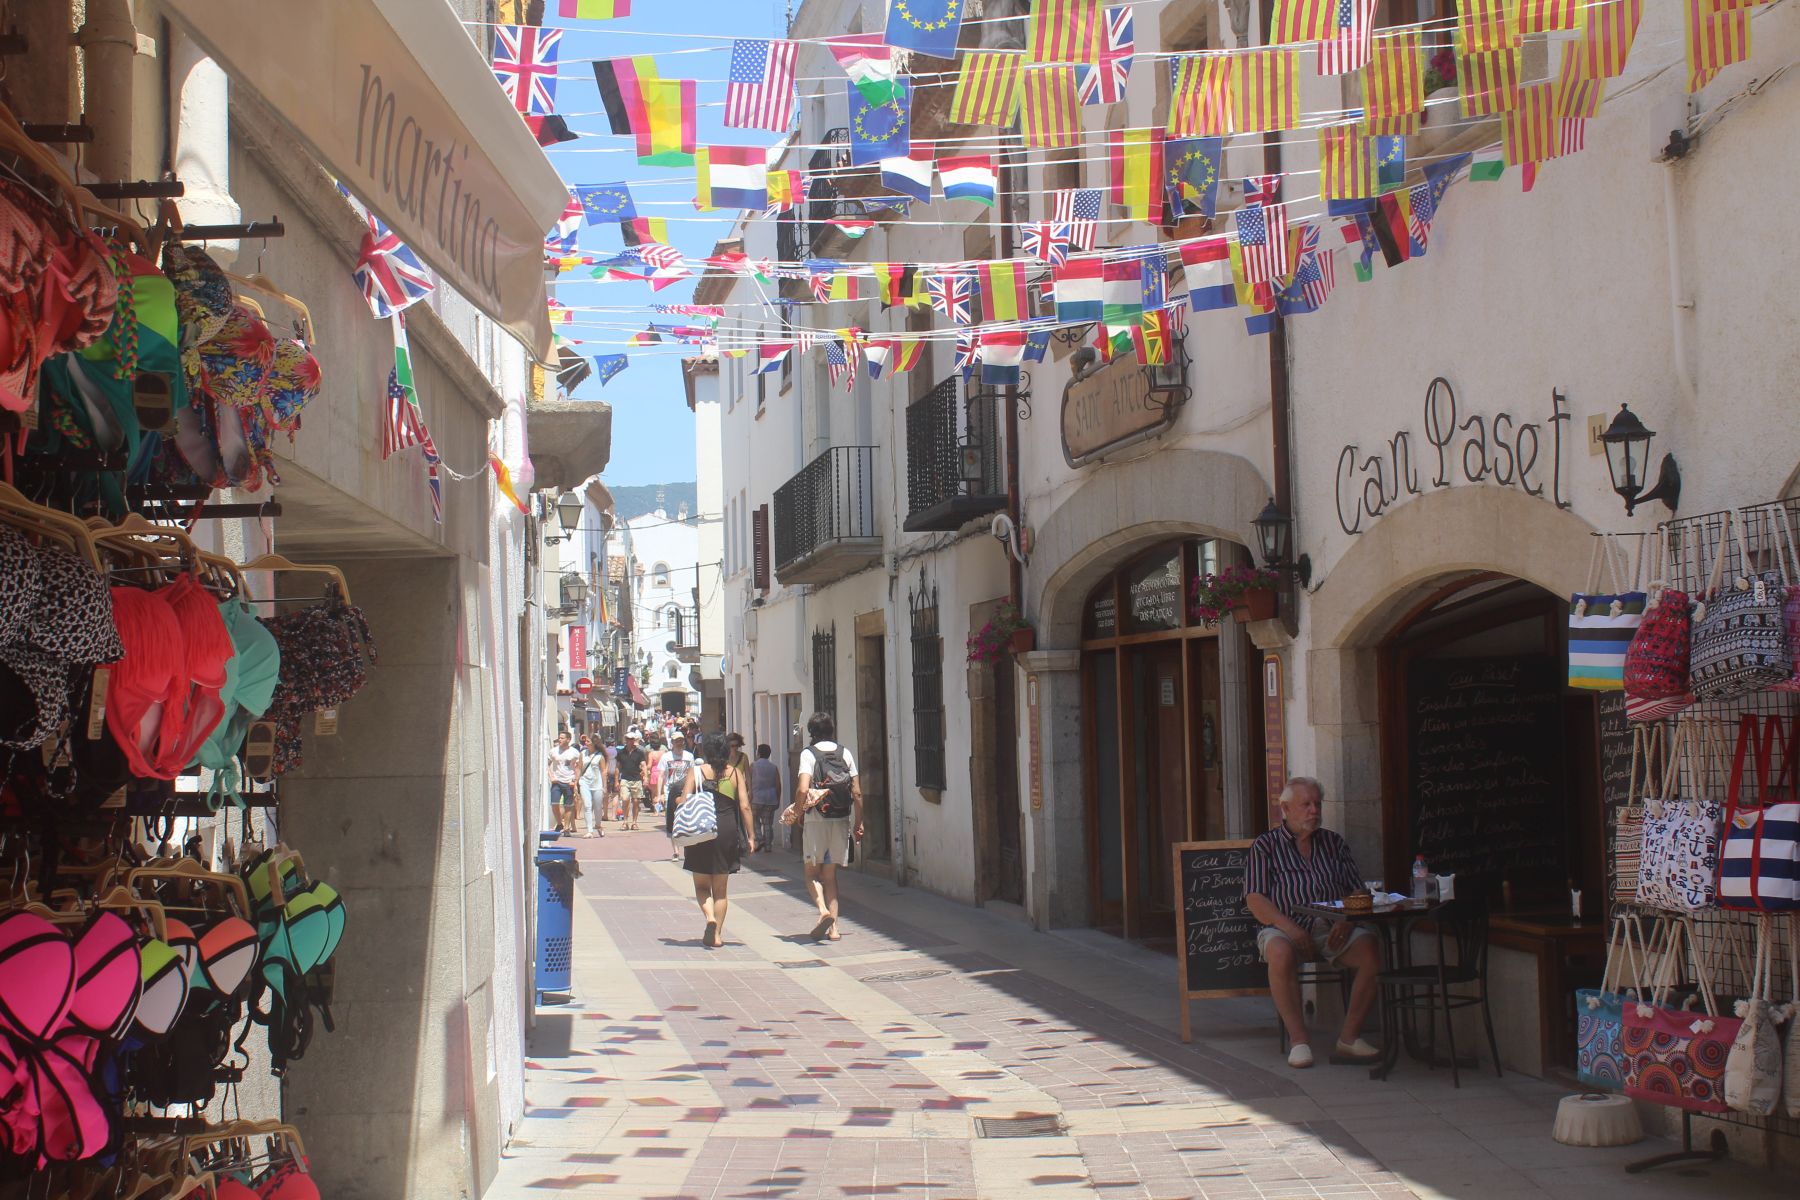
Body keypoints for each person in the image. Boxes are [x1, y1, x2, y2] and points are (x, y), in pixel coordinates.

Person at [1243, 776, 1383, 1069]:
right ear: (1285, 808)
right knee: (1280, 954)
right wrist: (1290, 928)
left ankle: (1349, 1038)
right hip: (1282, 926)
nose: (1313, 811)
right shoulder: (1265, 846)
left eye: (1317, 804)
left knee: (1371, 948)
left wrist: (1347, 918)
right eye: (1305, 805)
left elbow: (1357, 888)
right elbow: (1255, 899)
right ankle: (1299, 1041)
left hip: (1332, 927)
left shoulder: (1333, 843)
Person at [792, 711, 862, 941]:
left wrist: (798, 812)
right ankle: (835, 930)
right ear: (832, 730)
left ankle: (823, 911)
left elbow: (803, 789)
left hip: (816, 821)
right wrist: (858, 823)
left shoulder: (809, 755)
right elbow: (857, 792)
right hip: (841, 819)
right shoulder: (845, 753)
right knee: (830, 877)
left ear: (811, 732)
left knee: (812, 873)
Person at [678, 736, 754, 947]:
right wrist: (751, 836)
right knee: (721, 889)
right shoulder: (735, 773)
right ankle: (718, 934)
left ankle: (709, 917)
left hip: (701, 829)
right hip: (727, 829)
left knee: (702, 885)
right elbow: (745, 806)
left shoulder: (697, 771)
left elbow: (684, 800)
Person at [660, 730, 696, 860]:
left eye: (681, 740)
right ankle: (676, 851)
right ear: (672, 743)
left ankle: (687, 848)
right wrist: (660, 794)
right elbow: (661, 776)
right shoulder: (666, 757)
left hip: (686, 791)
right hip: (670, 793)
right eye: (676, 741)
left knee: (687, 821)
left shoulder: (689, 756)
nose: (679, 743)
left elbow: (693, 773)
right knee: (673, 822)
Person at [748, 743, 782, 853]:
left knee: (754, 820)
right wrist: (778, 798)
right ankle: (768, 846)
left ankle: (759, 838)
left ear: (758, 753)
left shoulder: (753, 765)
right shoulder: (773, 767)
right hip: (770, 798)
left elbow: (748, 781)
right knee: (768, 823)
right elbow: (778, 785)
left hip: (756, 798)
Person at [547, 731, 581, 835]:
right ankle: (559, 823)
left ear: (568, 740)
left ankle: (566, 828)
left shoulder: (574, 752)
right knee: (554, 803)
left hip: (569, 781)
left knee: (568, 806)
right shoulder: (553, 751)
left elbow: (578, 767)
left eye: (562, 738)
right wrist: (551, 776)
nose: (560, 740)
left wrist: (575, 780)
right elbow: (547, 764)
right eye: (559, 738)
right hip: (557, 781)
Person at [616, 728, 648, 829]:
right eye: (628, 739)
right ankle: (625, 821)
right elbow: (618, 767)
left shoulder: (639, 752)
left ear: (634, 740)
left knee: (636, 801)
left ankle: (634, 822)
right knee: (625, 799)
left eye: (632, 739)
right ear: (626, 739)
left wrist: (646, 777)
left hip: (636, 779)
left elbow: (643, 765)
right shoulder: (621, 752)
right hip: (625, 779)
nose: (630, 741)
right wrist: (616, 780)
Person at [578, 735, 607, 838]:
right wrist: (576, 781)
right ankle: (589, 831)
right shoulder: (582, 754)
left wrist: (605, 786)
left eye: (588, 741)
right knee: (587, 806)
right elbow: (579, 768)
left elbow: (603, 771)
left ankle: (598, 825)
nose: (586, 742)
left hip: (597, 784)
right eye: (585, 741)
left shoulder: (600, 756)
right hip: (584, 782)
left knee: (598, 807)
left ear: (594, 743)